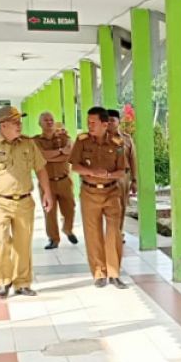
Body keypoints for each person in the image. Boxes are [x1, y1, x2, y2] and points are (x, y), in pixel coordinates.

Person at [0, 105, 54, 298]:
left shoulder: (27, 143)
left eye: (20, 121)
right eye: (15, 122)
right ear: (3, 125)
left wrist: (47, 193)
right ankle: (3, 280)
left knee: (23, 243)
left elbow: (40, 169)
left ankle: (22, 283)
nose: (19, 125)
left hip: (24, 201)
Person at [72, 107, 130, 288]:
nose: (89, 126)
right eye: (88, 122)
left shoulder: (117, 143)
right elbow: (75, 166)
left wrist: (106, 175)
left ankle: (114, 273)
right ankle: (99, 273)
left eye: (93, 123)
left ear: (105, 124)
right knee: (93, 233)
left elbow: (122, 171)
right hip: (89, 192)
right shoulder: (81, 141)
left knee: (113, 232)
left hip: (111, 192)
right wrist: (91, 171)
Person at [33, 111, 78, 249]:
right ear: (40, 124)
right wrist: (60, 152)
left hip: (64, 180)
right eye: (45, 120)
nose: (49, 122)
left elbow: (69, 155)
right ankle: (53, 238)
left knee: (70, 208)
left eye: (51, 119)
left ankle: (68, 229)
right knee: (49, 211)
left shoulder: (64, 138)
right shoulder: (36, 141)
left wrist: (51, 156)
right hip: (47, 183)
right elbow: (40, 156)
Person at [106, 107, 139, 237]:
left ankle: (118, 232)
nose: (109, 123)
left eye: (112, 120)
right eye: (107, 121)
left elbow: (133, 160)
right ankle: (112, 232)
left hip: (122, 177)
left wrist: (134, 180)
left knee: (121, 206)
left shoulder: (127, 139)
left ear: (118, 122)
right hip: (106, 177)